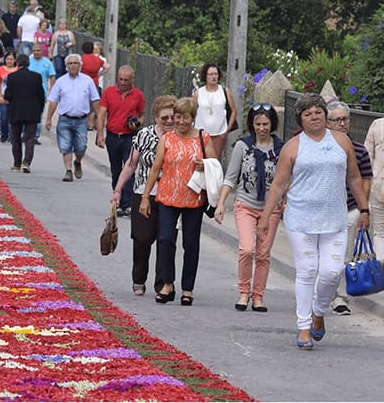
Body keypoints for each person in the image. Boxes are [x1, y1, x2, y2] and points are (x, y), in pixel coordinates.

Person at [257, 94, 369, 349]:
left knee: (331, 273)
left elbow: (354, 177)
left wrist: (364, 209)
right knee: (307, 271)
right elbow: (277, 186)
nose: (314, 116)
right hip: (301, 219)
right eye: (308, 114)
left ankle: (319, 312)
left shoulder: (341, 142)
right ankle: (304, 327)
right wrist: (265, 217)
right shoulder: (293, 147)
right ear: (301, 120)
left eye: (318, 111)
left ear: (325, 115)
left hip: (335, 219)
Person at [140, 97, 216, 307]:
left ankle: (188, 288)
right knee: (165, 239)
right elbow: (156, 168)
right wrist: (146, 197)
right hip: (167, 196)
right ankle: (167, 284)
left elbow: (215, 164)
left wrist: (205, 165)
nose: (181, 122)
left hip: (194, 198)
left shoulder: (203, 137)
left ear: (193, 118)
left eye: (186, 117)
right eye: (178, 117)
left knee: (191, 244)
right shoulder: (167, 139)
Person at [214, 104, 284, 312]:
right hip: (246, 204)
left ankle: (258, 296)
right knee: (247, 249)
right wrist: (220, 204)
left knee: (263, 254)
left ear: (272, 125)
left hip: (271, 208)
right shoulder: (243, 146)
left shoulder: (280, 149)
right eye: (257, 124)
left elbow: (286, 180)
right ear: (251, 125)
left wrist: (286, 201)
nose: (261, 128)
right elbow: (231, 177)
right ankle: (244, 291)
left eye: (265, 124)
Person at [111, 95, 176, 296]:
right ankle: (138, 279)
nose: (169, 122)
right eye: (164, 118)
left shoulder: (179, 138)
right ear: (156, 117)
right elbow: (131, 164)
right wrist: (118, 190)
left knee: (166, 241)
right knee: (142, 239)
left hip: (171, 197)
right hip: (144, 193)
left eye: (173, 117)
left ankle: (162, 284)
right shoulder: (145, 135)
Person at [326, 101, 372, 316]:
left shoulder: (360, 150)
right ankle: (324, 293)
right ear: (328, 123)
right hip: (324, 211)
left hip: (350, 209)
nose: (342, 123)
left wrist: (363, 209)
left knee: (344, 257)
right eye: (337, 120)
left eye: (345, 119)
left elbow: (365, 180)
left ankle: (340, 298)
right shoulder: (321, 148)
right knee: (325, 256)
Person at [96, 65, 145, 217]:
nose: (122, 82)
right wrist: (100, 134)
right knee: (116, 170)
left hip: (129, 137)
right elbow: (101, 114)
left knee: (129, 167)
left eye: (126, 80)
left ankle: (127, 204)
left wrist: (137, 123)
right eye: (120, 79)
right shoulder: (109, 92)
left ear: (132, 80)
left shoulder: (138, 95)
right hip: (112, 136)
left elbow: (143, 115)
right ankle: (117, 199)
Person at [44, 54, 101, 181]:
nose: (73, 65)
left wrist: (99, 120)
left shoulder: (87, 81)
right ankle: (68, 171)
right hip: (65, 119)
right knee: (66, 146)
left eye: (75, 63)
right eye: (70, 63)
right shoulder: (60, 82)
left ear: (80, 66)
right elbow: (53, 101)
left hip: (81, 120)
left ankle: (78, 161)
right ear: (66, 66)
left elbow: (95, 100)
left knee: (81, 147)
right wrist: (48, 118)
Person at [4, 54, 45, 173]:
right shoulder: (36, 77)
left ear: (17, 63)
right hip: (32, 111)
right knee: (30, 138)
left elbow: (8, 95)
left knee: (15, 138)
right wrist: (40, 108)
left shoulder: (11, 77)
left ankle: (17, 164)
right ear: (28, 63)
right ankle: (26, 162)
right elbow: (41, 95)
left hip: (16, 111)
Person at [193, 63, 237, 160]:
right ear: (205, 76)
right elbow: (192, 111)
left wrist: (226, 131)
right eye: (210, 74)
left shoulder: (225, 91)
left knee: (215, 161)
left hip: (219, 134)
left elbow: (233, 111)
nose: (213, 77)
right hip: (201, 134)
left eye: (215, 74)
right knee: (200, 159)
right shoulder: (198, 93)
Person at [27, 43, 56, 143]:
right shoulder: (29, 62)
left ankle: (36, 136)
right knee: (27, 113)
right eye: (34, 51)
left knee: (38, 115)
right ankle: (26, 134)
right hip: (28, 92)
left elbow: (52, 76)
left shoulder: (47, 63)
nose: (36, 52)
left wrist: (52, 90)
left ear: (42, 51)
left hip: (41, 92)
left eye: (38, 50)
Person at [79, 41, 110, 130]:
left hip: (83, 83)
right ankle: (91, 124)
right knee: (93, 103)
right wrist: (99, 74)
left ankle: (83, 122)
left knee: (83, 102)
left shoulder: (82, 59)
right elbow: (107, 66)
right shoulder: (97, 59)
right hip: (94, 82)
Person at [366, 118, 384, 259]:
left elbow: (367, 158)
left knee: (380, 232)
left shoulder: (378, 125)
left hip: (379, 185)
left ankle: (381, 267)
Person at [0, 49, 19, 143]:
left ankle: (12, 136)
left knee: (13, 119)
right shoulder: (1, 69)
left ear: (15, 60)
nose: (9, 61)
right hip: (3, 97)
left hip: (15, 99)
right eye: (7, 59)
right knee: (3, 118)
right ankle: (4, 135)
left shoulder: (17, 70)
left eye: (11, 59)